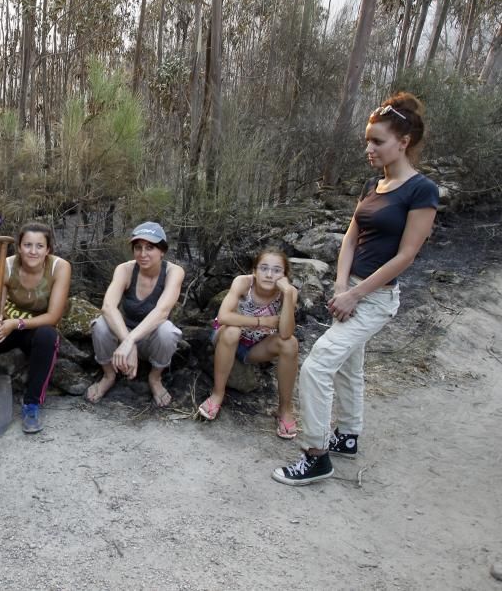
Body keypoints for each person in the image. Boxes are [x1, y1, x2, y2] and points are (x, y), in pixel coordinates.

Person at [273, 92, 438, 486]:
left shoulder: (421, 191)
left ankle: (316, 455)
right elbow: (351, 237)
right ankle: (347, 435)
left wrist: (357, 295)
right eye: (367, 140)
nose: (369, 148)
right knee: (349, 367)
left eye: (377, 141)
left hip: (377, 298)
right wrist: (342, 283)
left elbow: (407, 255)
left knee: (316, 367)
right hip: (353, 290)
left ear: (404, 142)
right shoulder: (372, 185)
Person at [0, 223, 71, 433]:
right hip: (8, 325)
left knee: (48, 337)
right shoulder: (5, 267)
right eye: (27, 245)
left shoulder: (60, 267)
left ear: (48, 249)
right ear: (19, 247)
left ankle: (32, 404)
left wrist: (17, 324)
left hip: (37, 327)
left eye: (39, 246)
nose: (33, 251)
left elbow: (53, 316)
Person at [198, 249, 300, 438]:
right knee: (232, 330)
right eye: (264, 268)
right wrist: (262, 322)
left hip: (255, 347)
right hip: (227, 337)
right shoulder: (244, 283)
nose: (269, 275)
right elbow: (223, 316)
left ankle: (285, 409)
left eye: (277, 270)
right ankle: (217, 393)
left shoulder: (288, 292)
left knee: (290, 344)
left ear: (285, 276)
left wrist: (287, 292)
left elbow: (285, 333)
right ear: (254, 271)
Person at [86, 222, 185, 407]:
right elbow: (108, 306)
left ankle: (155, 378)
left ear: (162, 251)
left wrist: (130, 341)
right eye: (138, 247)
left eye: (150, 247)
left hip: (150, 338)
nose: (143, 253)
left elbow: (162, 311)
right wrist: (128, 342)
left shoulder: (174, 272)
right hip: (123, 333)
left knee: (168, 331)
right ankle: (109, 375)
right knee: (100, 324)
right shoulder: (125, 269)